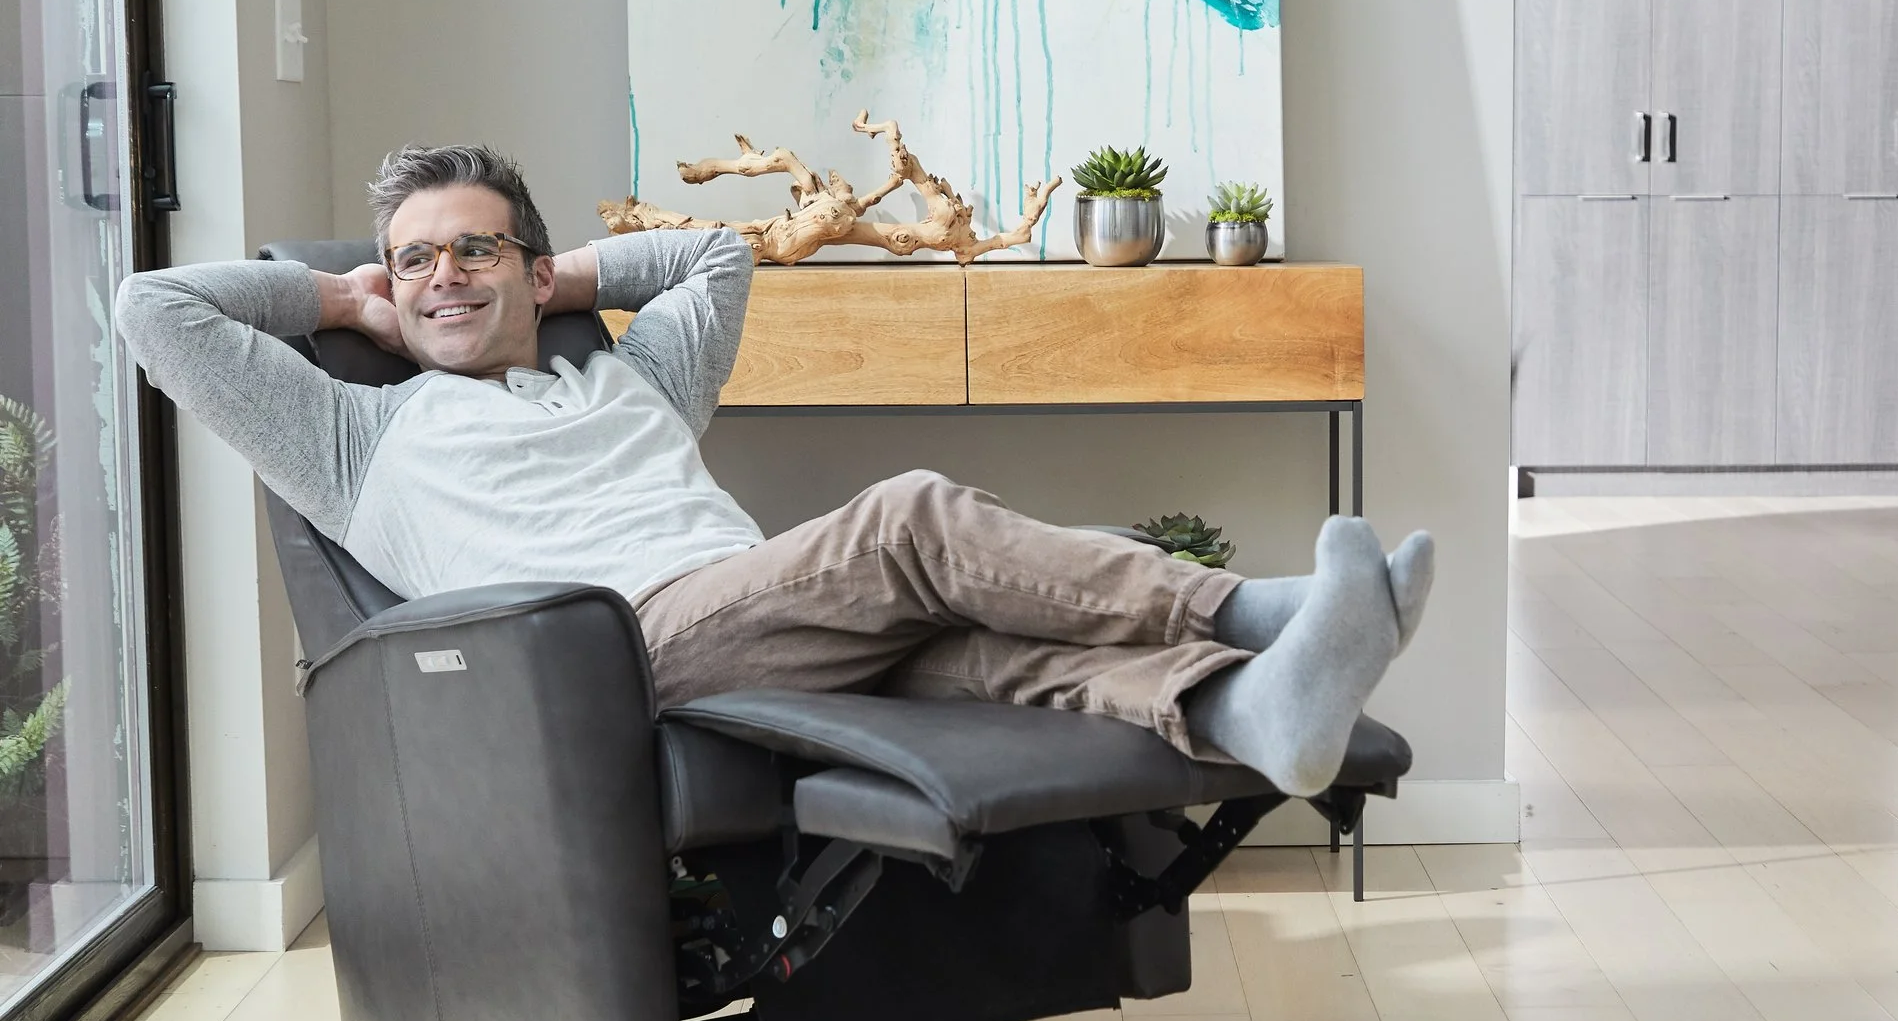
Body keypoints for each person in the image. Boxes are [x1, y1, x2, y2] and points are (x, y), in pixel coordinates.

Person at [113, 143, 1431, 796]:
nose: (442, 274)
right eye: (417, 259)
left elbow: (716, 259)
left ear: (529, 265)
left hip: (746, 612)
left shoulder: (630, 381)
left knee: (982, 649)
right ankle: (1251, 610)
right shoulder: (358, 437)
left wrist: (574, 274)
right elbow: (153, 313)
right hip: (601, 653)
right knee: (910, 517)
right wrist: (341, 301)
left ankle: (1250, 713)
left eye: (477, 249)